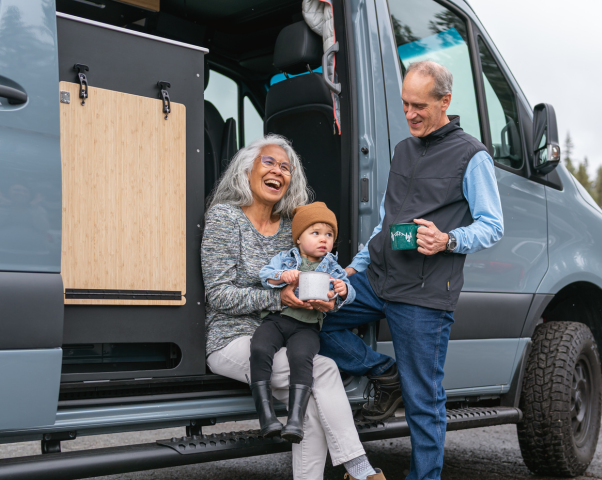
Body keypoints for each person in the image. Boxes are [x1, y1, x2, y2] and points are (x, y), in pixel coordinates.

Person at [319, 60, 505, 480]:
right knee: (315, 315)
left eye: (419, 105)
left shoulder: (472, 156)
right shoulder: (404, 149)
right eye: (404, 104)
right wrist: (355, 267)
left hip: (424, 292)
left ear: (445, 101)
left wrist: (447, 239)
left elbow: (493, 225)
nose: (410, 114)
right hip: (378, 277)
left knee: (424, 401)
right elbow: (387, 223)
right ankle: (384, 372)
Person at [202, 134, 384, 480]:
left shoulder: (291, 229)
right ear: (246, 171)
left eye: (286, 167)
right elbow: (218, 295)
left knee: (311, 409)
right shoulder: (226, 219)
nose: (278, 171)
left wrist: (329, 297)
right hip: (231, 340)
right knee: (325, 370)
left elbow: (315, 275)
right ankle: (360, 469)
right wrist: (278, 297)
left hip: (286, 338)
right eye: (268, 162)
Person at [252, 202, 354, 443]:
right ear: (298, 238)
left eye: (329, 235)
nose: (324, 240)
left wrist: (342, 290)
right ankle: (266, 416)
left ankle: (295, 421)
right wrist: (281, 276)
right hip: (278, 319)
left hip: (307, 326)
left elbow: (349, 293)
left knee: (301, 358)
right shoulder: (285, 259)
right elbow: (264, 275)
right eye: (315, 233)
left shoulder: (333, 267)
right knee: (259, 347)